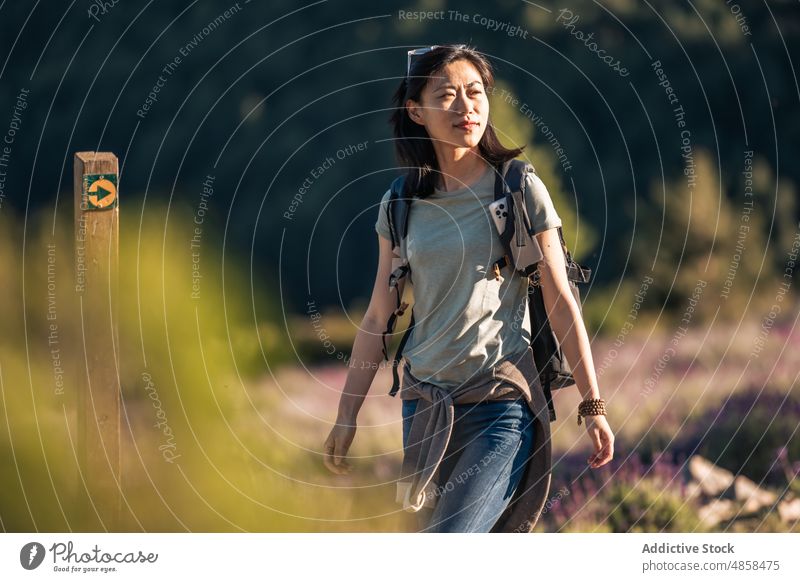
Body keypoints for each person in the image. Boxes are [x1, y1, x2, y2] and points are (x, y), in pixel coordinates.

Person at [323, 44, 614, 532]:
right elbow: (378, 316)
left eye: (475, 93)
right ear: (416, 110)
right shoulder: (399, 204)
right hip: (424, 407)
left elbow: (560, 300)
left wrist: (592, 406)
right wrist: (346, 414)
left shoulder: (518, 189)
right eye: (448, 95)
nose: (467, 107)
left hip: (500, 402)